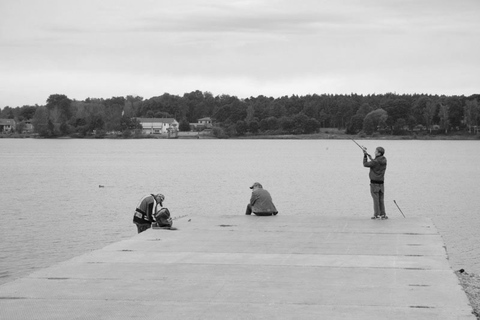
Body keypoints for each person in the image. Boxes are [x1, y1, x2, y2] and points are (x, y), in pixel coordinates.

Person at [363, 147, 387, 219]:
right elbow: (377, 163)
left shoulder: (375, 162)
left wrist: (365, 156)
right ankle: (383, 214)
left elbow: (365, 164)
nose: (375, 152)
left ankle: (376, 215)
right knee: (381, 199)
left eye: (376, 151)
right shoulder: (384, 160)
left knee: (375, 199)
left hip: (374, 183)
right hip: (381, 183)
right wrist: (371, 158)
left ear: (379, 153)